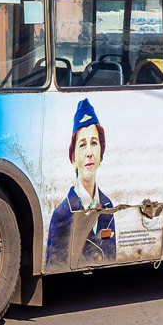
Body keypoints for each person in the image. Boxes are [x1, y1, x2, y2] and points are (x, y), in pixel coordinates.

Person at [45, 98, 116, 269]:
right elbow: (53, 267)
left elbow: (112, 259)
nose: (89, 153)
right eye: (82, 145)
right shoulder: (62, 213)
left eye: (94, 143)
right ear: (73, 157)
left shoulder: (108, 205)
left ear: (101, 152)